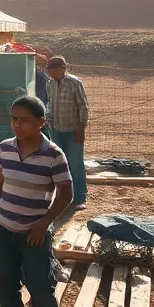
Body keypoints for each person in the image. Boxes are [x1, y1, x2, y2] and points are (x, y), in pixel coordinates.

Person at [0, 96, 73, 307]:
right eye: (14, 119)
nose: (17, 125)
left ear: (41, 123)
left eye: (25, 120)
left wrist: (43, 224)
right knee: (6, 285)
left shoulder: (54, 155)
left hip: (34, 234)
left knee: (41, 288)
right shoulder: (5, 148)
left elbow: (66, 194)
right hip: (2, 229)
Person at [44, 55, 90, 211]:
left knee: (76, 164)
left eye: (52, 70)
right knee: (59, 165)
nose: (49, 73)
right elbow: (49, 103)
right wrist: (48, 122)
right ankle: (63, 197)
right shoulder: (50, 84)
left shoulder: (75, 83)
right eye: (48, 70)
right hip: (56, 130)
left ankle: (80, 197)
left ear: (62, 69)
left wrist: (81, 128)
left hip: (73, 131)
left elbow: (83, 107)